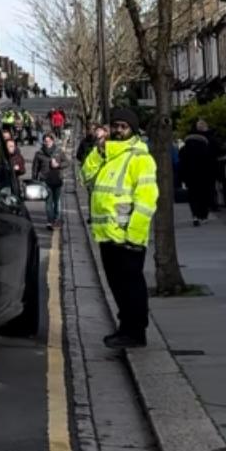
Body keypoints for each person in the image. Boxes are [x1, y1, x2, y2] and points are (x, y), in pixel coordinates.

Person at [82, 107, 158, 349]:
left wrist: (134, 237)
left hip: (127, 237)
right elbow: (87, 176)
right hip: (107, 235)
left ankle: (136, 332)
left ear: (132, 130)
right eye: (114, 125)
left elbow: (146, 200)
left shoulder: (140, 158)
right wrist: (99, 151)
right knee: (117, 286)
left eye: (123, 126)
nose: (117, 130)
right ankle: (126, 328)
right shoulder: (108, 154)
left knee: (131, 286)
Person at [179, 120, 219, 225]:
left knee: (193, 196)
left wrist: (182, 177)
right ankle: (203, 215)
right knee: (204, 195)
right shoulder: (207, 144)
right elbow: (214, 159)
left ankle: (195, 215)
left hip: (190, 176)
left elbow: (181, 163)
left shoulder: (185, 148)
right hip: (205, 175)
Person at [32, 132, 65, 228]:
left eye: (49, 141)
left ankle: (57, 218)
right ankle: (50, 221)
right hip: (45, 180)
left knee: (57, 201)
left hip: (57, 179)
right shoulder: (39, 154)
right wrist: (34, 179)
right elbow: (35, 168)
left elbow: (67, 162)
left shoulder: (59, 152)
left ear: (52, 141)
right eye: (45, 141)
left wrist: (59, 165)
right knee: (48, 201)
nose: (47, 143)